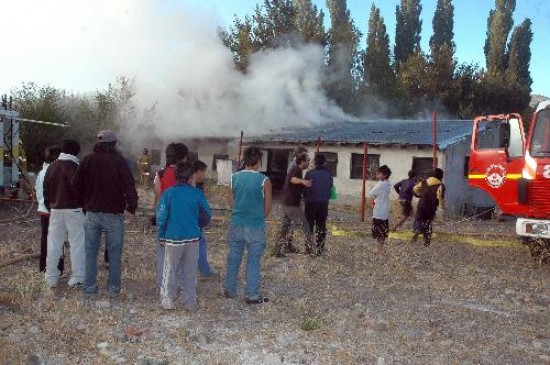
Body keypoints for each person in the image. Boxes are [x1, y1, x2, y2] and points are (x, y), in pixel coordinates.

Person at [74, 130, 138, 297]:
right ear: (114, 143)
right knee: (115, 253)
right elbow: (129, 186)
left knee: (90, 252)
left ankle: (89, 287)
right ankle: (113, 288)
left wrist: (84, 204)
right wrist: (131, 207)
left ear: (99, 143)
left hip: (92, 213)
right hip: (113, 214)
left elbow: (76, 185)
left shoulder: (87, 159)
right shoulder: (119, 161)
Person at [157, 161, 211, 310]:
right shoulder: (197, 194)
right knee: (190, 271)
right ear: (190, 178)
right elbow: (207, 215)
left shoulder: (169, 193)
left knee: (170, 270)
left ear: (176, 177)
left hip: (173, 239)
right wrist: (196, 227)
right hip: (193, 239)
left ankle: (168, 300)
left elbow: (161, 217)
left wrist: (161, 235)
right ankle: (190, 302)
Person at [223, 146, 272, 304]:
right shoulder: (264, 180)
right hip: (255, 225)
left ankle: (230, 289)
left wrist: (240, 211)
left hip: (236, 222)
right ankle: (251, 294)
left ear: (244, 160)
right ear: (258, 161)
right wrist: (257, 216)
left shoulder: (234, 178)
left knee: (234, 257)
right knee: (253, 260)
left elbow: (231, 202)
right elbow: (268, 206)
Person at [43, 140, 86, 288]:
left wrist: (50, 206)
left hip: (55, 209)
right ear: (76, 152)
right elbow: (79, 189)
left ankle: (51, 277)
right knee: (77, 243)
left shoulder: (52, 167)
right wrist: (84, 205)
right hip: (74, 209)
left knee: (54, 242)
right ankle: (77, 276)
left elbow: (45, 190)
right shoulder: (74, 167)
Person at [152, 142, 189, 288]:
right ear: (182, 157)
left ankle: (164, 283)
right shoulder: (187, 175)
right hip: (181, 219)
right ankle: (179, 283)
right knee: (181, 254)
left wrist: (156, 215)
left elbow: (157, 197)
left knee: (163, 252)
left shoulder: (160, 173)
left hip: (165, 218)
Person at [274, 153, 314, 257]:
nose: (309, 162)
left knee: (285, 227)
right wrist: (304, 181)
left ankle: (278, 250)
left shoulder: (298, 170)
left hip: (286, 202)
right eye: (308, 160)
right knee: (305, 226)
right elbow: (292, 179)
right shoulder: (296, 169)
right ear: (302, 162)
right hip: (292, 204)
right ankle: (311, 250)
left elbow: (294, 183)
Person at [36, 144, 64, 274]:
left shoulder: (41, 172)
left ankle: (43, 267)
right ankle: (57, 268)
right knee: (57, 240)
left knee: (45, 239)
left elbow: (37, 191)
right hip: (55, 210)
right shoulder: (56, 172)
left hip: (43, 211)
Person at [192, 160, 218, 278]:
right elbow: (204, 210)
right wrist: (204, 221)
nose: (205, 175)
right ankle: (204, 270)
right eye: (204, 172)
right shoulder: (195, 190)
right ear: (198, 172)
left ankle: (201, 269)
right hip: (195, 224)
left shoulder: (189, 186)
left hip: (190, 224)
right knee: (200, 244)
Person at [304, 153, 333, 255]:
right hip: (323, 203)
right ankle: (320, 249)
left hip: (310, 203)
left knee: (309, 226)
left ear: (315, 162)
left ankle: (308, 249)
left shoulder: (309, 173)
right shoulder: (329, 174)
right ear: (324, 162)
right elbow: (331, 189)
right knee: (321, 226)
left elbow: (305, 188)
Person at [281, 146, 309, 254]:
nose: (307, 158)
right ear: (299, 156)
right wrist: (303, 182)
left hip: (290, 199)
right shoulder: (294, 167)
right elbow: (292, 181)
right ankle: (285, 246)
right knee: (289, 223)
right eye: (305, 156)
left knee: (289, 223)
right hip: (291, 200)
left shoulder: (295, 167)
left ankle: (286, 245)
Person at [411, 168, 446, 247]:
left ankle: (417, 230)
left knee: (418, 220)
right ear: (440, 176)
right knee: (428, 223)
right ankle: (426, 242)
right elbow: (440, 197)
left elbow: (414, 189)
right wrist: (443, 207)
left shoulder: (423, 182)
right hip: (431, 207)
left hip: (421, 204)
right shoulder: (440, 185)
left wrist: (419, 195)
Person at [366, 165, 392, 254]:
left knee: (378, 232)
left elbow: (371, 193)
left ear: (384, 175)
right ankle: (379, 249)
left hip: (379, 211)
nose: (377, 174)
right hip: (384, 211)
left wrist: (373, 196)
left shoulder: (381, 184)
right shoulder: (387, 183)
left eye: (379, 173)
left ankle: (377, 251)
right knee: (382, 232)